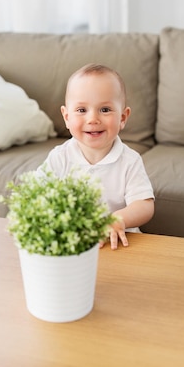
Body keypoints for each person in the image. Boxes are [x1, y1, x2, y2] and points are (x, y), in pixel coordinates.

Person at [39, 63, 155, 250]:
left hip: (118, 243)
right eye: (82, 110)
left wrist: (118, 219)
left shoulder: (130, 160)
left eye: (105, 110)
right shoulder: (59, 158)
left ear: (123, 118)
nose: (93, 119)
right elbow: (36, 193)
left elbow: (144, 205)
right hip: (73, 243)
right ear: (67, 117)